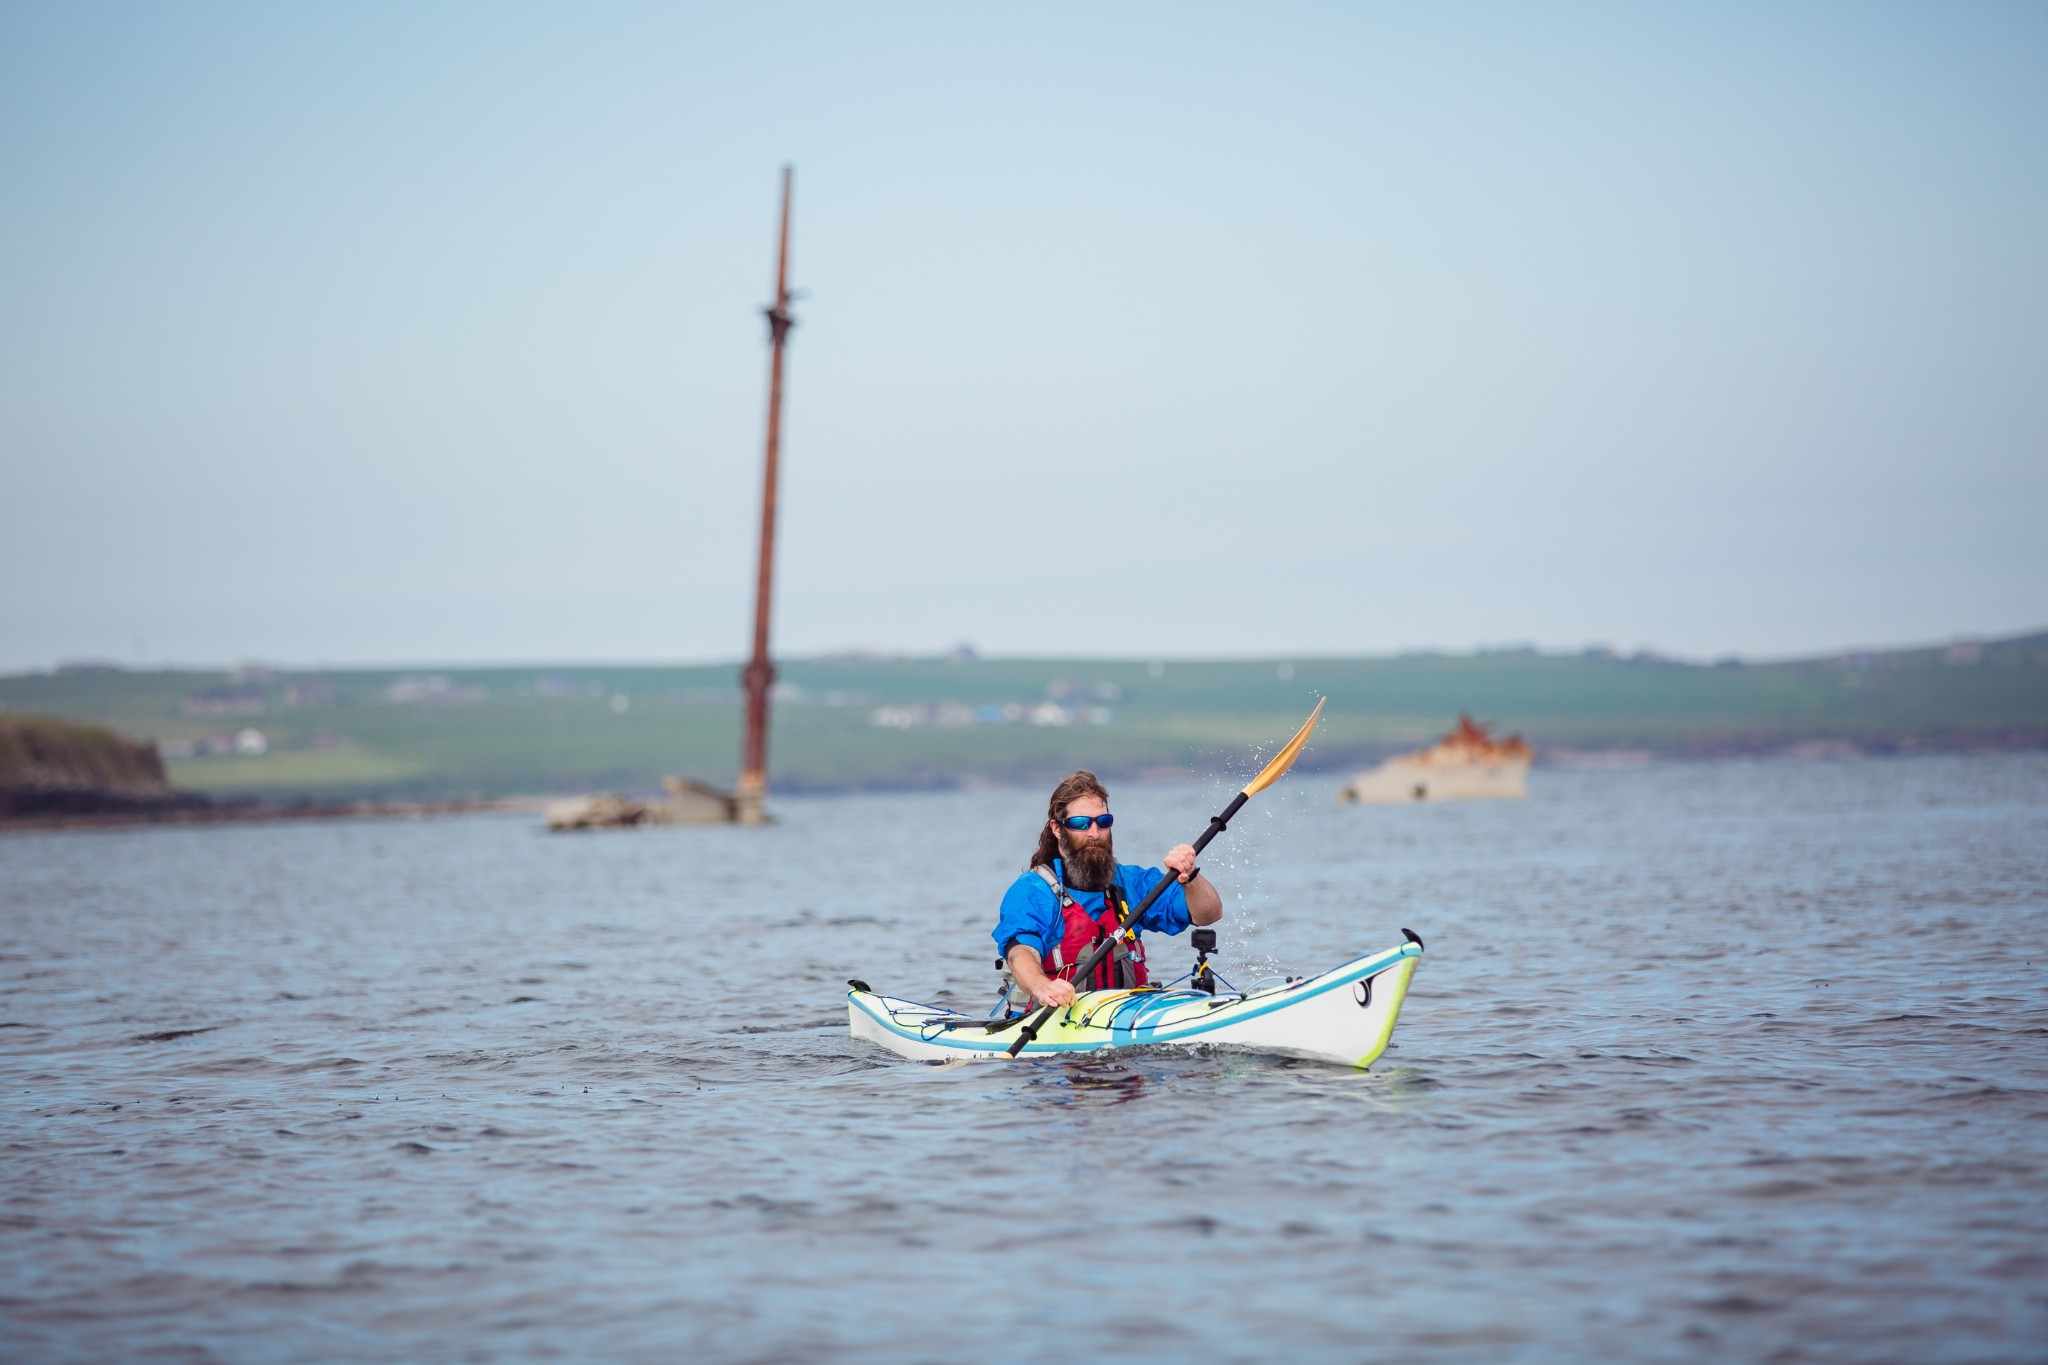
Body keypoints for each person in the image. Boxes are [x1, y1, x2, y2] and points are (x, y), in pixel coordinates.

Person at [992, 769, 1223, 1012]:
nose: (1094, 833)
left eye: (1103, 822)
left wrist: (1190, 878)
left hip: (1127, 1015)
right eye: (1080, 824)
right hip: (1055, 1018)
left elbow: (1208, 913)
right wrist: (1042, 987)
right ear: (1058, 829)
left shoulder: (1131, 882)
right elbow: (1020, 953)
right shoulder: (1033, 890)